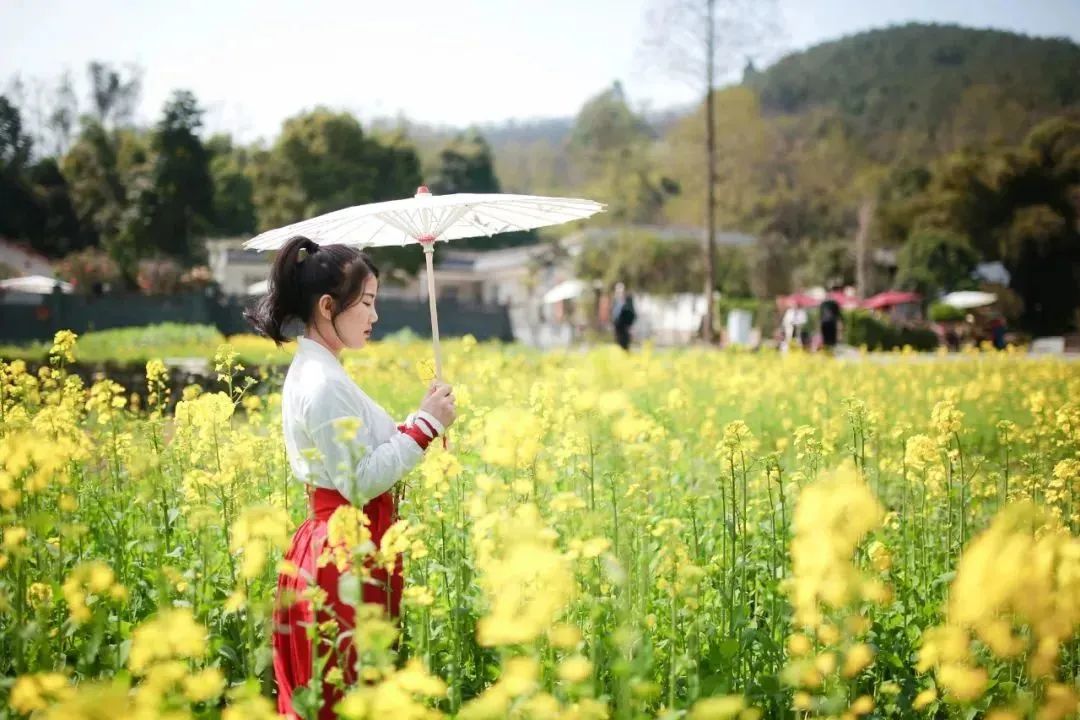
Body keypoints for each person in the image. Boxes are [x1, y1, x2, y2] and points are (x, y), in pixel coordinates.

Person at [245, 235, 457, 720]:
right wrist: (424, 428)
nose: (374, 315)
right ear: (326, 305)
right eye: (365, 302)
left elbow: (363, 450)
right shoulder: (321, 383)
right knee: (341, 694)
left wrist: (421, 420)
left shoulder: (327, 372)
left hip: (350, 544)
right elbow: (357, 482)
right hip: (338, 555)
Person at [612, 282, 636, 351]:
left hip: (625, 326)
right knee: (617, 344)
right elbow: (614, 313)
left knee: (625, 344)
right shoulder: (615, 300)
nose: (619, 292)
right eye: (617, 290)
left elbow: (632, 313)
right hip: (617, 326)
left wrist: (630, 326)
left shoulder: (628, 300)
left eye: (621, 290)